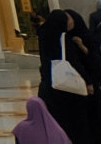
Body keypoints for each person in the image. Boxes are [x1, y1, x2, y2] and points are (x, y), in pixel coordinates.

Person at [36, 11, 93, 144]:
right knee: (74, 125)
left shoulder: (43, 37)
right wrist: (88, 82)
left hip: (50, 86)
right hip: (67, 90)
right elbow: (74, 62)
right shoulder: (63, 38)